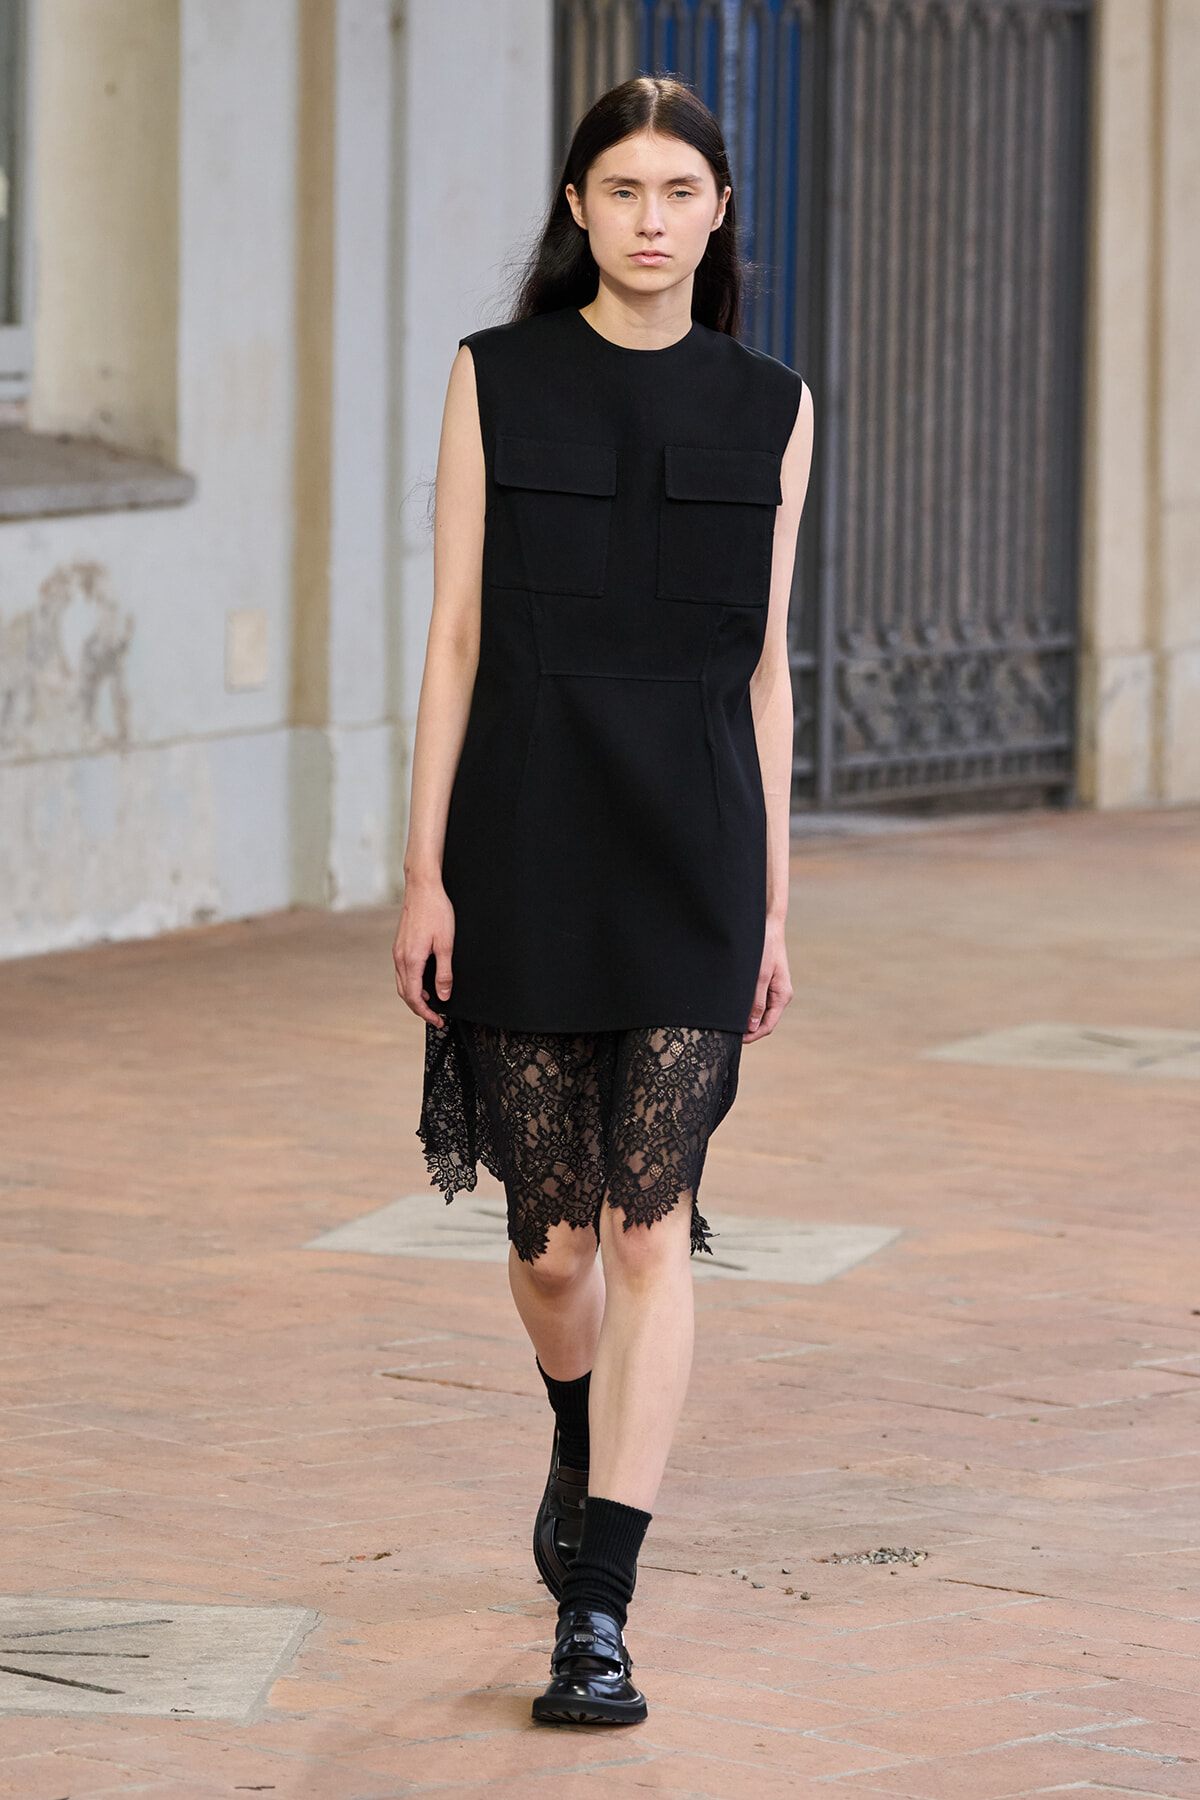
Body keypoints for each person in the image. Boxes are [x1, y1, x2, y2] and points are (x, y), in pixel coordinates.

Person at [393, 73, 814, 1727]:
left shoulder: (774, 404)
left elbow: (769, 674)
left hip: (696, 853)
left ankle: (602, 1605)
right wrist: (423, 872)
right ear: (579, 208)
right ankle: (577, 1434)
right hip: (527, 838)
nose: (652, 219)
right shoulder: (496, 380)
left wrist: (773, 905)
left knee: (650, 1228)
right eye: (622, 189)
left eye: (680, 192)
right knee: (556, 1247)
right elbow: (453, 641)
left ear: (718, 216)